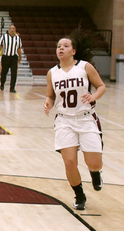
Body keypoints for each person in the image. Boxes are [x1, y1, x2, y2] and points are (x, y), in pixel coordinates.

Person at [43, 29, 106, 210]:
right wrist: (48, 103)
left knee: (94, 162)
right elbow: (50, 95)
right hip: (64, 120)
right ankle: (79, 196)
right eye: (58, 46)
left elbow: (101, 86)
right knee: (69, 161)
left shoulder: (85, 67)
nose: (61, 48)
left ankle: (95, 173)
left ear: (74, 51)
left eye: (65, 46)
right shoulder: (52, 73)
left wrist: (94, 97)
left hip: (86, 119)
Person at [0, 24, 23, 93]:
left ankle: (12, 88)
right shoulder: (4, 37)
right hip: (6, 56)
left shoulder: (18, 38)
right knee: (4, 72)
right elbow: (0, 46)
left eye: (13, 28)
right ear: (9, 30)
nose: (12, 30)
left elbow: (19, 48)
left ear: (15, 30)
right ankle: (2, 84)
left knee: (14, 73)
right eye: (11, 28)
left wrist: (20, 56)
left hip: (14, 57)